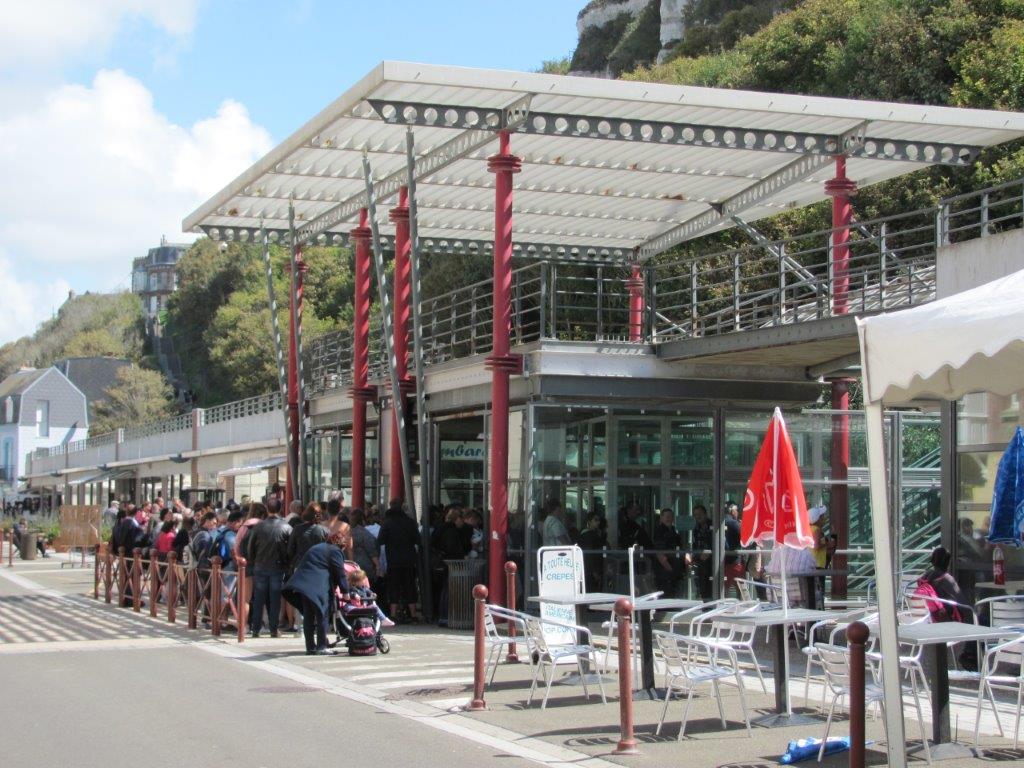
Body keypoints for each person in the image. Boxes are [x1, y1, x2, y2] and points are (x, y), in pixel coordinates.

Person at [282, 532, 351, 655]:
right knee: (322, 615)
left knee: (308, 616)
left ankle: (310, 647)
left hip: (303, 585)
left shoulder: (316, 547)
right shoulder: (335, 551)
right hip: (318, 585)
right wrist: (345, 592)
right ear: (342, 545)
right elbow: (340, 572)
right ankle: (321, 647)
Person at [243, 499, 292, 638]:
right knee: (275, 598)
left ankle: (256, 629)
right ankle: (273, 629)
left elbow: (250, 547)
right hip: (278, 566)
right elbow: (290, 548)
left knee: (259, 597)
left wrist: (254, 561)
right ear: (280, 509)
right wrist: (287, 563)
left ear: (267, 509)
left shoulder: (258, 526)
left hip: (260, 565)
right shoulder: (286, 527)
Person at [376, 499, 422, 623]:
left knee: (393, 587)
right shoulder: (410, 522)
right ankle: (413, 615)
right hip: (409, 560)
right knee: (410, 586)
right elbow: (418, 540)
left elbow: (380, 540)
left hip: (393, 560)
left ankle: (393, 614)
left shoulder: (387, 523)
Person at [287, 502, 329, 573]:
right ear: (319, 515)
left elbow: (290, 549)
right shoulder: (324, 531)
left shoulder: (297, 529)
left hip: (300, 564)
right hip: (318, 565)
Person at [653, 508, 683, 597]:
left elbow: (679, 546)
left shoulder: (673, 530)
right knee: (665, 593)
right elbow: (659, 553)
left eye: (671, 517)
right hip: (664, 569)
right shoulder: (659, 531)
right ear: (661, 518)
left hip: (674, 567)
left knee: (673, 592)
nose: (669, 519)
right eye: (667, 517)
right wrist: (669, 569)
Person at [578, 511, 607, 593]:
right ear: (589, 521)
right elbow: (588, 554)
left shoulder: (596, 534)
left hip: (596, 566)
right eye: (595, 520)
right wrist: (593, 571)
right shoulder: (587, 535)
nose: (598, 522)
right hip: (590, 569)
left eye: (599, 520)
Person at [689, 505, 713, 601]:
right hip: (701, 562)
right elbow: (696, 544)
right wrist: (694, 557)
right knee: (702, 587)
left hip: (712, 562)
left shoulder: (713, 525)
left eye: (700, 514)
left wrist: (709, 551)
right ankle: (705, 605)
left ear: (705, 514)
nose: (698, 517)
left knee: (711, 587)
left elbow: (718, 542)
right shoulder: (696, 528)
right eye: (695, 515)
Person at [349, 508, 380, 582]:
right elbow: (372, 551)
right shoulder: (365, 534)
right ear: (363, 520)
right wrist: (378, 566)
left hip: (350, 567)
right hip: (364, 568)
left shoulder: (347, 532)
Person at [722, 502, 744, 598]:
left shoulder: (720, 522)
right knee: (741, 588)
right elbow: (745, 538)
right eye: (737, 510)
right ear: (732, 510)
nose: (738, 512)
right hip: (735, 561)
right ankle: (742, 605)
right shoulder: (734, 523)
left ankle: (723, 606)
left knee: (724, 588)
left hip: (724, 561)